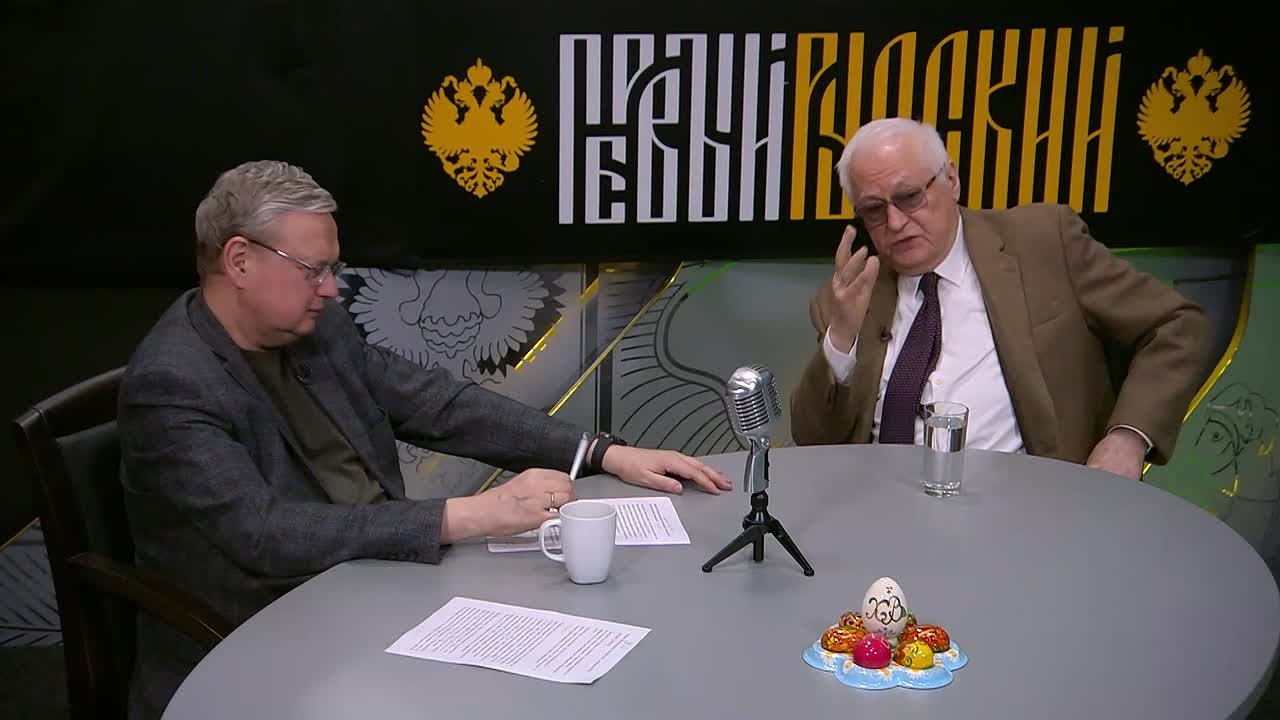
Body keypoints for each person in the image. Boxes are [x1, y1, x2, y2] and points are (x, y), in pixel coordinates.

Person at [118, 160, 732, 719]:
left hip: (373, 583)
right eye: (313, 270)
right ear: (239, 260)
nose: (330, 289)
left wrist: (602, 453)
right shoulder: (173, 383)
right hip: (264, 634)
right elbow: (264, 534)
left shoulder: (317, 330)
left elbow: (440, 405)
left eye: (332, 269)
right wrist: (470, 515)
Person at [790, 117, 1210, 477]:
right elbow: (812, 442)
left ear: (951, 180)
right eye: (874, 210)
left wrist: (1127, 438)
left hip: (1028, 509)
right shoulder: (847, 300)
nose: (896, 222)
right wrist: (840, 339)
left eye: (909, 197)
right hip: (888, 516)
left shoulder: (1043, 243)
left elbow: (1177, 326)